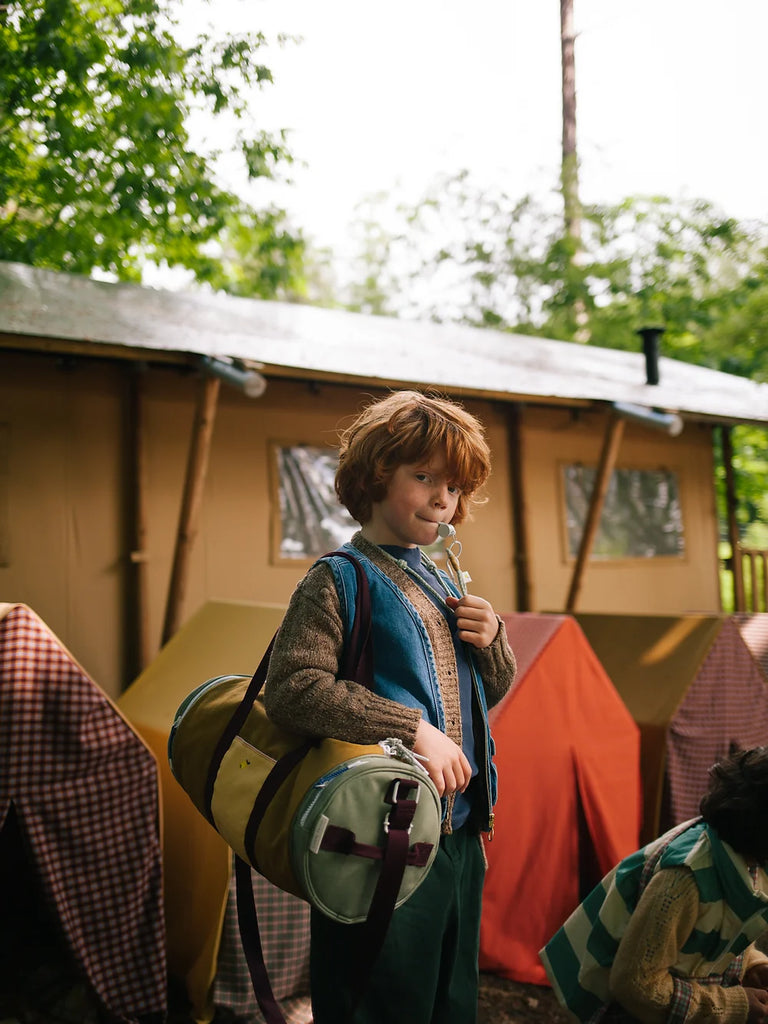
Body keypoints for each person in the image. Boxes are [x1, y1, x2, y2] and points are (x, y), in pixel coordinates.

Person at [263, 389, 516, 1024]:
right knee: (379, 1000)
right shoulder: (337, 579)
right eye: (424, 476)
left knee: (448, 1000)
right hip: (378, 838)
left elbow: (487, 696)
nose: (442, 499)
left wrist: (493, 644)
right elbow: (292, 690)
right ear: (375, 477)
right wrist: (411, 728)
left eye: (455, 487)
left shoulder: (444, 578)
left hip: (457, 833)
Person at [540, 746, 768, 1024]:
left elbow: (717, 931)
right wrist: (734, 1005)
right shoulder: (686, 881)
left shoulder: (744, 863)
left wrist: (752, 965)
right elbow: (635, 984)